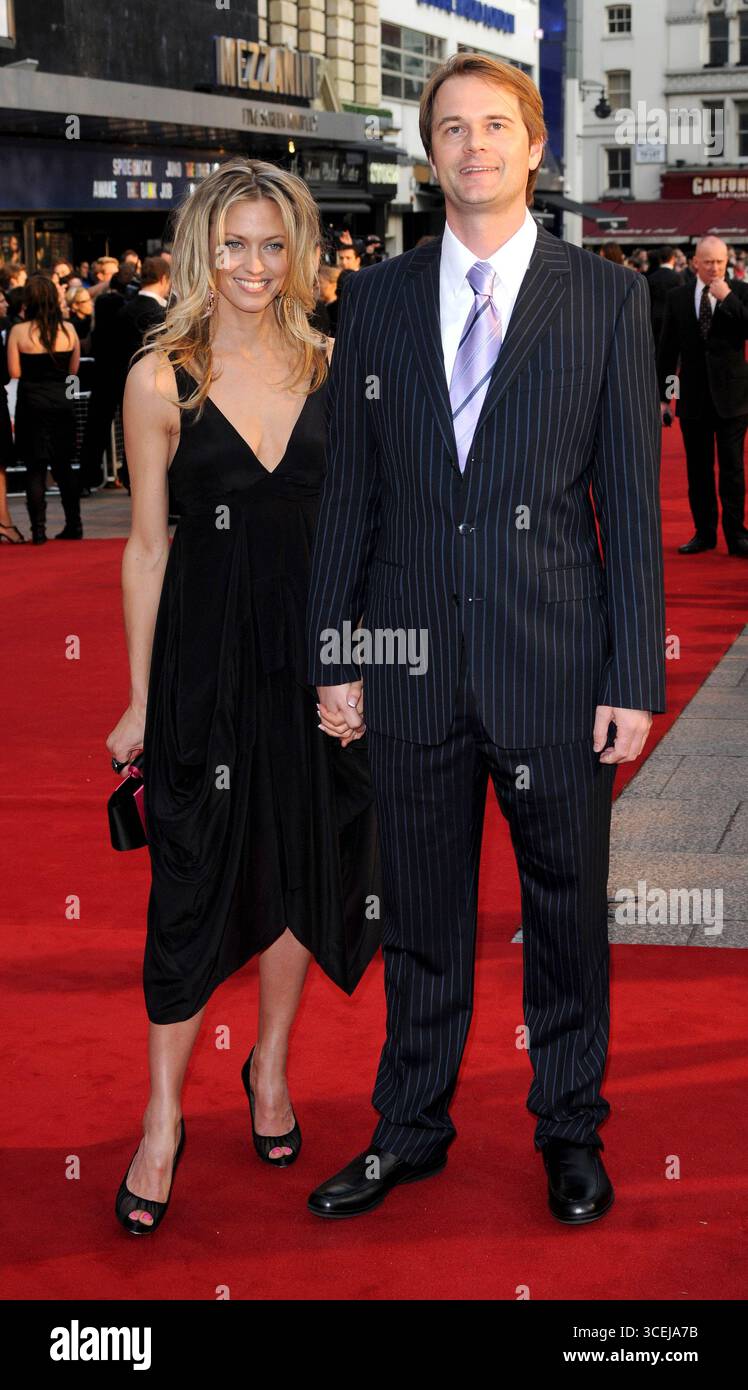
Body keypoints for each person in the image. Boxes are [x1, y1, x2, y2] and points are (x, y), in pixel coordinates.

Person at [305, 52, 666, 1223]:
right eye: (450, 128)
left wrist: (632, 671)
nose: (474, 147)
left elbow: (628, 503)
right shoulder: (374, 302)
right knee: (417, 913)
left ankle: (569, 1127)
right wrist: (336, 652)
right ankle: (409, 1125)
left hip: (554, 665)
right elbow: (347, 492)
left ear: (535, 142)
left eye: (495, 125)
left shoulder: (606, 301)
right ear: (430, 152)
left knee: (565, 909)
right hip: (407, 665)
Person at [105, 156, 381, 1236]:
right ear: (198, 249)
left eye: (273, 244)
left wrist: (352, 661)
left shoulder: (331, 363)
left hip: (312, 664)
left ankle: (267, 1069)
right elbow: (142, 550)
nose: (254, 265)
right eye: (233, 244)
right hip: (204, 667)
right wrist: (136, 699)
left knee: (303, 870)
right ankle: (162, 1119)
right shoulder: (158, 376)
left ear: (300, 250)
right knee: (188, 887)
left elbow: (366, 531)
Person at [657, 234, 748, 558]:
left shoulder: (740, 292)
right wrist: (666, 398)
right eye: (708, 262)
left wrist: (729, 300)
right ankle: (704, 533)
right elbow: (668, 352)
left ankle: (737, 535)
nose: (714, 268)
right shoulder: (678, 297)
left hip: (733, 400)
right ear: (695, 262)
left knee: (733, 470)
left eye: (720, 262)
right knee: (698, 471)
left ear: (728, 263)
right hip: (693, 399)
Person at [6, 274, 82, 543]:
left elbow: (14, 371)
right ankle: (75, 525)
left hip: (32, 404)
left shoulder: (18, 331)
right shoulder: (69, 330)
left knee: (35, 468)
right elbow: (74, 370)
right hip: (62, 403)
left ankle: (38, 530)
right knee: (64, 467)